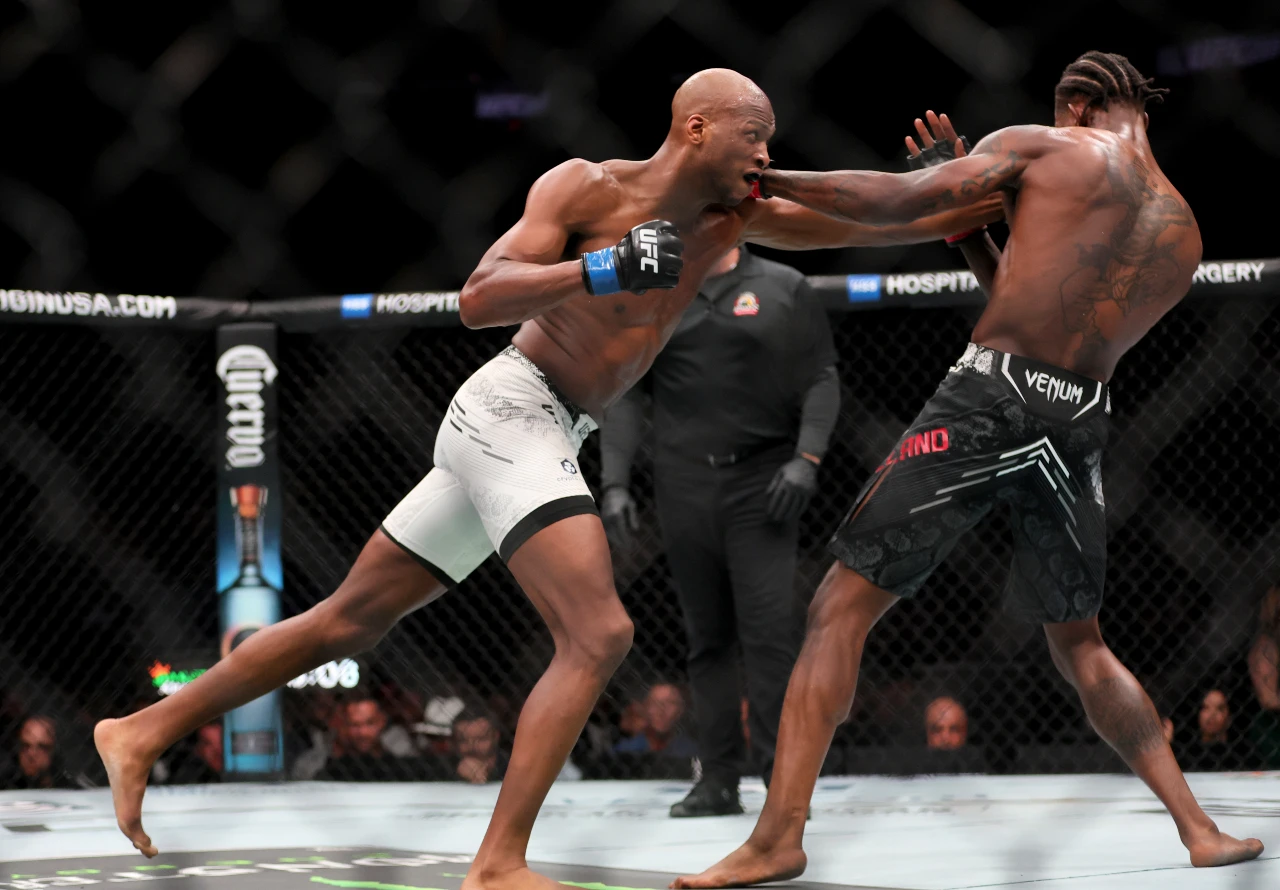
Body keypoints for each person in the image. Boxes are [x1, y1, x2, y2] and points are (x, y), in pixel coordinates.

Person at [93, 68, 997, 882]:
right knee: (598, 631)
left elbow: (879, 217)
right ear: (695, 130)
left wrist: (948, 185)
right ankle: (498, 863)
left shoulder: (737, 216)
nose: (766, 152)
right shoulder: (585, 187)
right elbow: (479, 298)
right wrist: (600, 267)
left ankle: (140, 730)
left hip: (549, 425)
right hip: (511, 406)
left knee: (348, 620)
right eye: (751, 133)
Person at [673, 52, 1262, 887]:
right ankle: (1199, 829)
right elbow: (1033, 299)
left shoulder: (1048, 146)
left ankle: (778, 836)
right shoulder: (1185, 229)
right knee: (1083, 643)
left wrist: (771, 177)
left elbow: (897, 201)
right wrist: (970, 231)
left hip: (991, 398)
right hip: (1078, 421)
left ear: (1079, 104)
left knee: (838, 608)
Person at [600, 242, 838, 817]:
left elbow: (822, 377)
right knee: (706, 639)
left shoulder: (784, 285)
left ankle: (783, 781)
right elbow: (628, 393)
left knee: (768, 637)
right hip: (682, 486)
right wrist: (614, 482)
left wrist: (806, 460)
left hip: (763, 480)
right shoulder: (660, 292)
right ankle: (718, 780)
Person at [614, 682, 697, 758]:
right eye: (654, 702)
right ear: (646, 708)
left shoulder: (692, 752)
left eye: (670, 703)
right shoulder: (625, 750)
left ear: (680, 710)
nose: (661, 710)